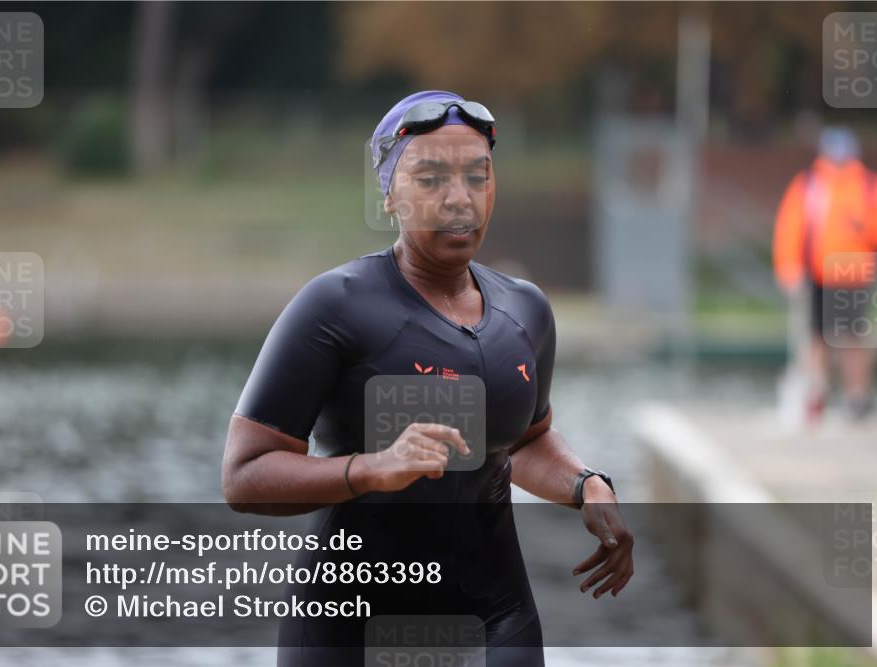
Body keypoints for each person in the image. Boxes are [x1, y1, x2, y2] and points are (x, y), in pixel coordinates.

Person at [221, 90, 634, 666]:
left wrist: (588, 486)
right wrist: (369, 468)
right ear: (389, 194)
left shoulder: (526, 311)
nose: (458, 199)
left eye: (476, 177)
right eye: (431, 178)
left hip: (496, 619)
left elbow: (525, 442)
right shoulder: (335, 306)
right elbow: (243, 476)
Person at [773, 126, 877, 421]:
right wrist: (788, 267)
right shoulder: (809, 185)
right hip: (818, 273)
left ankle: (857, 397)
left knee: (853, 338)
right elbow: (791, 229)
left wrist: (863, 228)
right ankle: (816, 393)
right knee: (817, 338)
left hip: (854, 274)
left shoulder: (869, 186)